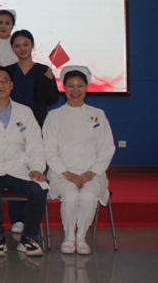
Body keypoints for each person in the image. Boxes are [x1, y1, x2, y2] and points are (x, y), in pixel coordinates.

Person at [0, 66, 48, 257]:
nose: (0, 85)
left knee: (39, 188)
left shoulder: (25, 112)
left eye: (4, 80)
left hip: (19, 167)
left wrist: (37, 168)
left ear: (12, 85)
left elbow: (35, 143)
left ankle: (29, 238)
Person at [44, 66, 115, 255]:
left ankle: (81, 237)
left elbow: (107, 147)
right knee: (71, 196)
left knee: (89, 196)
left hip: (92, 173)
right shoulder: (54, 116)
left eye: (80, 86)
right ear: (64, 88)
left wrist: (92, 172)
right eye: (71, 86)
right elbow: (49, 149)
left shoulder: (97, 114)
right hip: (62, 173)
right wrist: (67, 173)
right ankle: (69, 237)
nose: (75, 90)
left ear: (86, 87)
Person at [4, 30, 60, 234]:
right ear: (12, 48)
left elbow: (52, 99)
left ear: (32, 45)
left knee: (35, 170)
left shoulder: (43, 70)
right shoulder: (8, 71)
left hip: (37, 127)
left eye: (25, 44)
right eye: (17, 45)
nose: (22, 49)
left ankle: (32, 217)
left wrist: (50, 80)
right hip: (11, 128)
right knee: (15, 169)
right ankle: (16, 218)